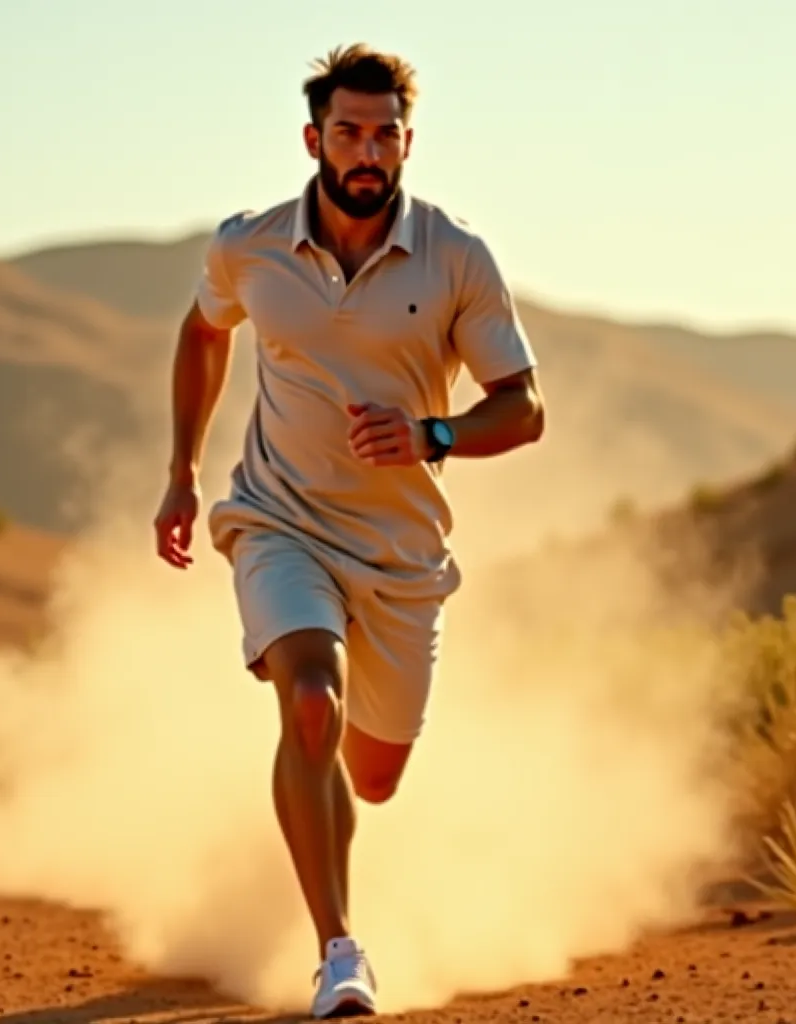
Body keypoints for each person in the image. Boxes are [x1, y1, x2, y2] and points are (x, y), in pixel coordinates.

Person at [153, 42, 545, 1019]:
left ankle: (310, 826)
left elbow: (523, 405)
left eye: (381, 134)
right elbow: (205, 332)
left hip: (403, 555)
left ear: (407, 142)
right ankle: (339, 952)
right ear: (313, 139)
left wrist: (430, 433)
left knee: (371, 775)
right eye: (346, 133)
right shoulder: (250, 246)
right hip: (279, 518)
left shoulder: (457, 257)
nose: (364, 151)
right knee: (311, 705)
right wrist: (178, 476)